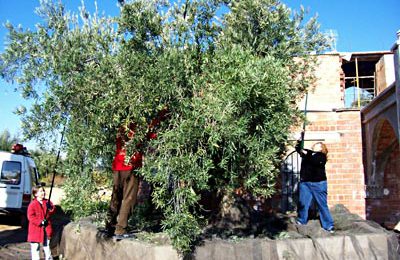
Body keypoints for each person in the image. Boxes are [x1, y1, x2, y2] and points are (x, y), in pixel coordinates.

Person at [106, 124, 140, 238]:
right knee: (129, 198)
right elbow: (152, 135)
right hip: (131, 166)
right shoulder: (140, 127)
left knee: (116, 196)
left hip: (118, 166)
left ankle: (110, 225)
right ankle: (121, 229)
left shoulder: (121, 126)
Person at [295, 141, 335, 233]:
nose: (314, 146)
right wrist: (299, 143)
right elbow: (298, 150)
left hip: (318, 184)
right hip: (305, 183)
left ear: (321, 148)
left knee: (322, 205)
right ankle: (301, 221)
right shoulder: (308, 154)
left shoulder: (321, 156)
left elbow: (314, 161)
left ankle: (328, 225)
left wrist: (306, 152)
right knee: (303, 203)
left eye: (317, 145)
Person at [27, 185, 56, 260]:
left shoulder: (47, 202)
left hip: (46, 229)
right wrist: (40, 222)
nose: (43, 192)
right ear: (35, 194)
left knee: (47, 247)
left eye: (43, 191)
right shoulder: (32, 204)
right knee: (35, 247)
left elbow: (52, 211)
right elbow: (30, 217)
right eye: (40, 191)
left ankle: (49, 258)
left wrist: (51, 208)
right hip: (35, 230)